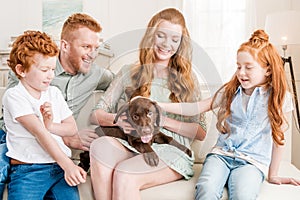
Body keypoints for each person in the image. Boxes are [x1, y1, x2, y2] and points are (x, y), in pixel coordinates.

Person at [159, 29, 300, 200]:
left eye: (248, 67)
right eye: (238, 66)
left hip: (252, 162)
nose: (241, 72)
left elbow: (279, 139)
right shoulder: (230, 91)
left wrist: (273, 174)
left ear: (268, 70)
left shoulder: (278, 97)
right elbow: (196, 108)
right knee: (206, 189)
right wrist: (160, 105)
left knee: (244, 195)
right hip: (221, 155)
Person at [88, 8, 207, 199]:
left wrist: (161, 120)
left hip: (171, 150)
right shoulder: (128, 72)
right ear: (151, 36)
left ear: (181, 44)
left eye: (175, 39)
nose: (167, 44)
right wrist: (119, 121)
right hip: (132, 143)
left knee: (125, 174)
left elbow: (200, 132)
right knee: (100, 147)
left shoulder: (187, 79)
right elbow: (96, 114)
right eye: (161, 36)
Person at [0, 13, 114, 197]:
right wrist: (67, 157)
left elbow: (121, 86)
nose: (92, 54)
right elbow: (34, 129)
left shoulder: (90, 77)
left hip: (56, 158)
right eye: (86, 46)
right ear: (65, 46)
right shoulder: (23, 78)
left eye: (96, 48)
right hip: (11, 137)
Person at [2, 30, 87, 199]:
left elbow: (71, 128)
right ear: (21, 70)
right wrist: (69, 165)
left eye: (53, 69)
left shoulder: (54, 93)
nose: (51, 75)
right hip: (28, 171)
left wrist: (51, 126)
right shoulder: (14, 96)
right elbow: (39, 133)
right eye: (44, 70)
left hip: (58, 168)